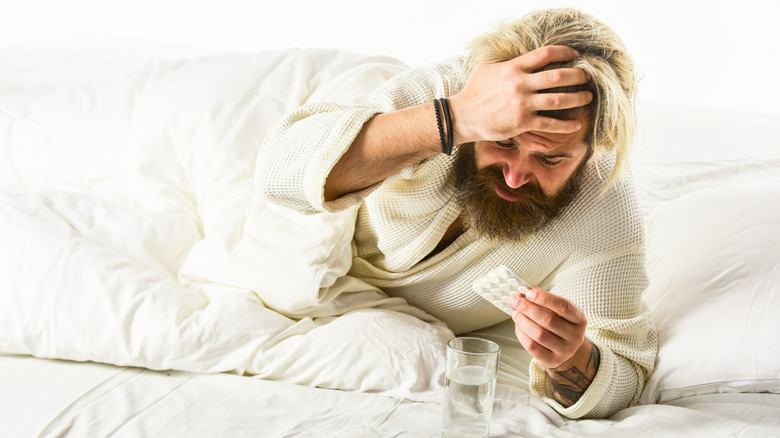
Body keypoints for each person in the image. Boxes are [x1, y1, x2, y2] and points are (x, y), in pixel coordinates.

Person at [256, 8, 657, 419]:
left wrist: (571, 358)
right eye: (504, 141)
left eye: (551, 160)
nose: (516, 177)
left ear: (591, 151)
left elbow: (626, 374)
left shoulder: (603, 206)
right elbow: (278, 174)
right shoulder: (453, 92)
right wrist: (459, 117)